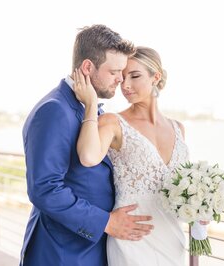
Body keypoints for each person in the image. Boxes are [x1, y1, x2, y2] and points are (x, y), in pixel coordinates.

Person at [20, 25, 154, 266]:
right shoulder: (54, 110)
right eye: (114, 71)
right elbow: (45, 189)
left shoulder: (87, 107)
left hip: (89, 250)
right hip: (62, 252)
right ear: (88, 67)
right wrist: (106, 222)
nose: (121, 80)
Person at [73, 46, 204, 265]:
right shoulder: (112, 122)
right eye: (122, 77)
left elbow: (181, 190)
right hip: (132, 238)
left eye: (134, 76)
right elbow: (87, 157)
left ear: (156, 77)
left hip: (171, 238)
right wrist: (90, 105)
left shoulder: (178, 129)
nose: (125, 85)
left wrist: (199, 209)